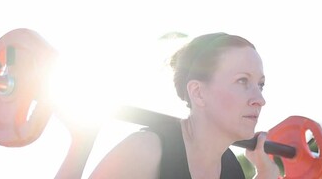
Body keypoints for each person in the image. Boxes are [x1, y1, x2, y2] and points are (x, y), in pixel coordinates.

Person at [88, 32, 280, 179]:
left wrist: (265, 174)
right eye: (242, 81)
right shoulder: (145, 150)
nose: (259, 99)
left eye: (260, 85)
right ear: (198, 92)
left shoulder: (232, 170)